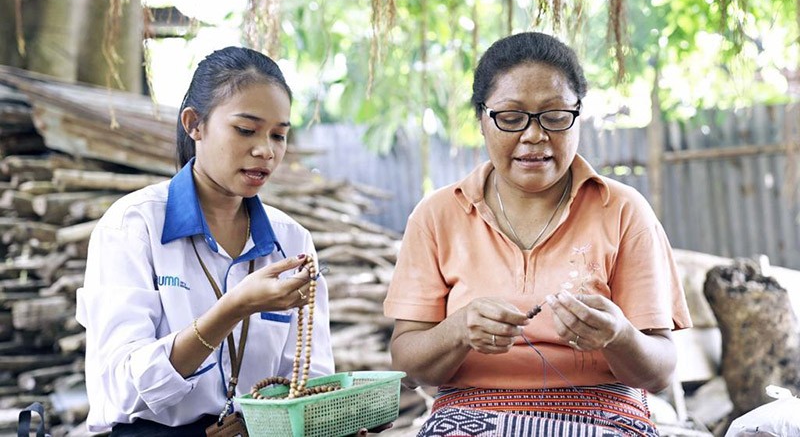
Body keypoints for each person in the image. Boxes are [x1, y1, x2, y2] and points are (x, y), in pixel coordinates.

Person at [383, 32, 693, 436]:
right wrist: (457, 330)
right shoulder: (437, 215)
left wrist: (619, 336)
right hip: (466, 421)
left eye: (555, 116)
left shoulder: (622, 210)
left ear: (578, 115)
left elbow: (660, 371)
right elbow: (406, 365)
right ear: (482, 120)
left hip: (604, 418)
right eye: (511, 118)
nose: (534, 136)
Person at [76, 46, 335, 435]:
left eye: (279, 135)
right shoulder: (133, 226)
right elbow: (122, 388)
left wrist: (257, 426)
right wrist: (231, 309)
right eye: (246, 130)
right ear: (194, 124)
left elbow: (310, 378)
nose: (265, 150)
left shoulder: (291, 240)